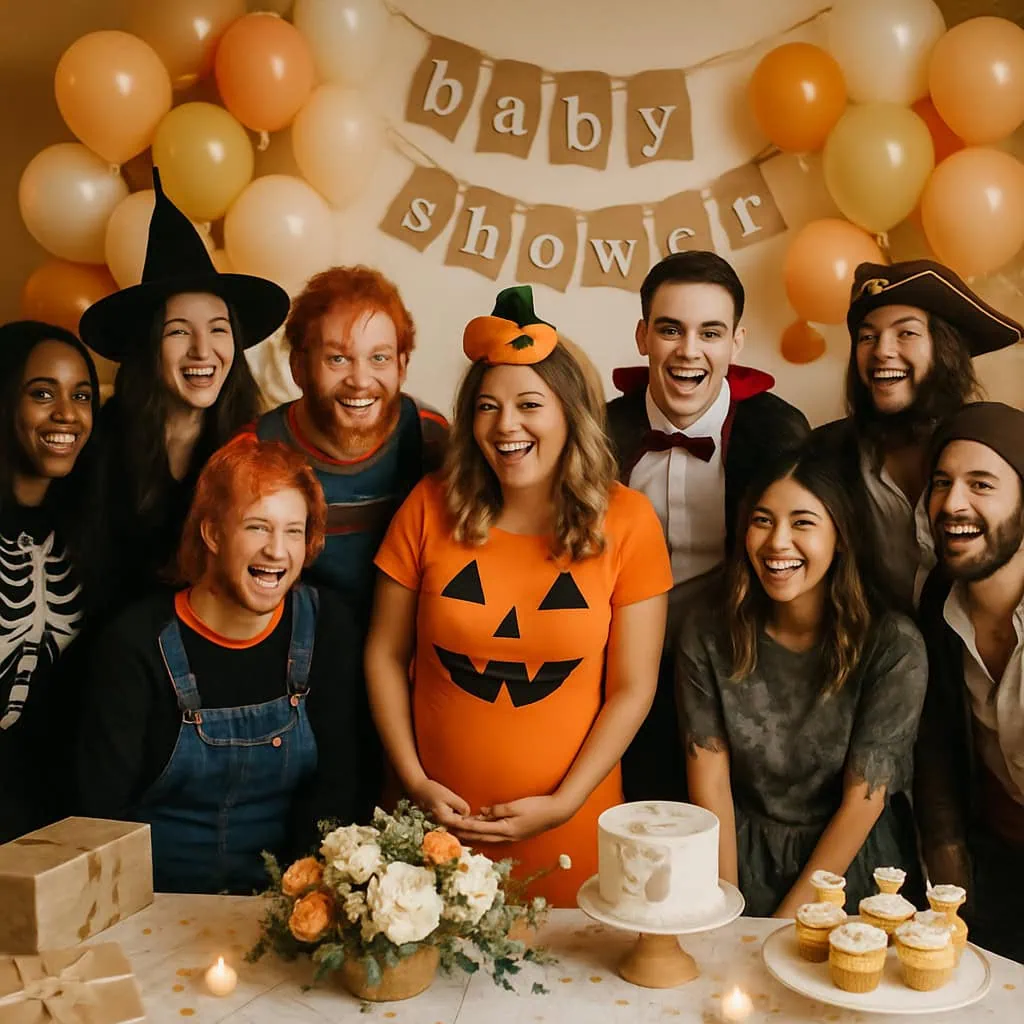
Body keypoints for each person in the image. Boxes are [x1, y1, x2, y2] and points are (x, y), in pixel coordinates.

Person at [365, 286, 672, 906]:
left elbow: (633, 688)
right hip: (433, 831)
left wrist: (564, 802)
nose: (506, 426)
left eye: (529, 404)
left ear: (570, 412)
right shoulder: (428, 505)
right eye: (486, 406)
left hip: (572, 830)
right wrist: (415, 780)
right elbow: (383, 655)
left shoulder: (630, 523)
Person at [77, 437, 364, 895]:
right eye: (257, 527)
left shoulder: (327, 627)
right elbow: (100, 815)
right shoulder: (134, 644)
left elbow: (335, 791)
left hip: (283, 905)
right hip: (151, 902)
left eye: (293, 531)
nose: (277, 551)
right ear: (211, 533)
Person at [679, 448, 927, 918]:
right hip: (735, 860)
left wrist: (784, 923)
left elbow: (862, 802)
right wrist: (726, 912)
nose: (777, 542)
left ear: (842, 536)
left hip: (850, 872)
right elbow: (710, 784)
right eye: (763, 520)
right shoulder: (707, 632)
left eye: (803, 523)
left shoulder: (893, 645)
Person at [606, 251, 809, 802]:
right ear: (644, 335)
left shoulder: (778, 433)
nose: (689, 351)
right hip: (618, 659)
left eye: (710, 332)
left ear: (736, 343)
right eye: (671, 329)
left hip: (739, 656)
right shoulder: (601, 430)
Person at [78, 168, 290, 618]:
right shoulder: (100, 442)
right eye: (178, 331)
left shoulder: (255, 446)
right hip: (112, 654)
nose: (203, 350)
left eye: (218, 329)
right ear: (149, 345)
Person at [810, 259, 1022, 612]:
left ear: (945, 349)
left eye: (905, 333)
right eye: (867, 336)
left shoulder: (998, 452)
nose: (881, 351)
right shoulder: (824, 456)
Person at [250, 266, 448, 613]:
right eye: (337, 359)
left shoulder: (430, 437)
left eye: (379, 358)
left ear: (402, 366)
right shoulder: (254, 451)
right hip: (299, 644)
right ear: (299, 367)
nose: (360, 380)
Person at [915, 402, 1024, 964]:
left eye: (981, 484)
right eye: (941, 483)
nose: (953, 503)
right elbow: (935, 748)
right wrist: (949, 886)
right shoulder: (936, 601)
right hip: (995, 865)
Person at [0, 321, 99, 842]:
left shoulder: (89, 532)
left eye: (81, 396)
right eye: (43, 393)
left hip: (47, 812)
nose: (67, 414)